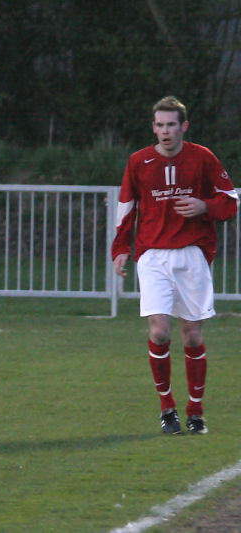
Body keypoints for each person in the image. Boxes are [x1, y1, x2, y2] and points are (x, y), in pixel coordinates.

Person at [112, 96, 238, 436]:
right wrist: (121, 247)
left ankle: (195, 411)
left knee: (192, 335)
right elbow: (127, 206)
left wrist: (203, 205)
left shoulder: (202, 157)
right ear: (153, 127)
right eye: (160, 125)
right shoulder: (140, 161)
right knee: (159, 330)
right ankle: (167, 408)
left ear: (183, 126)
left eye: (171, 125)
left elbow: (230, 201)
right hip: (152, 255)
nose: (165, 131)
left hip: (192, 255)